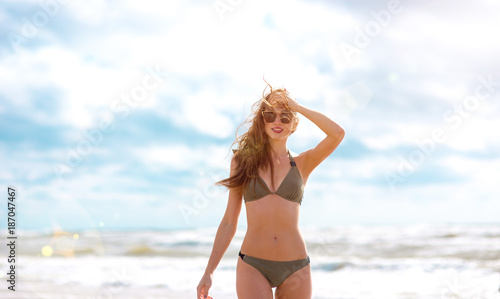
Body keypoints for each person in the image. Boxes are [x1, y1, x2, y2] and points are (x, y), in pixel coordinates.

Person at [196, 83, 345, 299]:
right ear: (262, 121)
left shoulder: (303, 163)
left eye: (285, 117)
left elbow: (337, 133)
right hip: (253, 264)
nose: (277, 121)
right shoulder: (242, 161)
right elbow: (229, 221)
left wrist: (298, 107)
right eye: (270, 115)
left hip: (296, 266)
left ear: (293, 124)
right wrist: (209, 272)